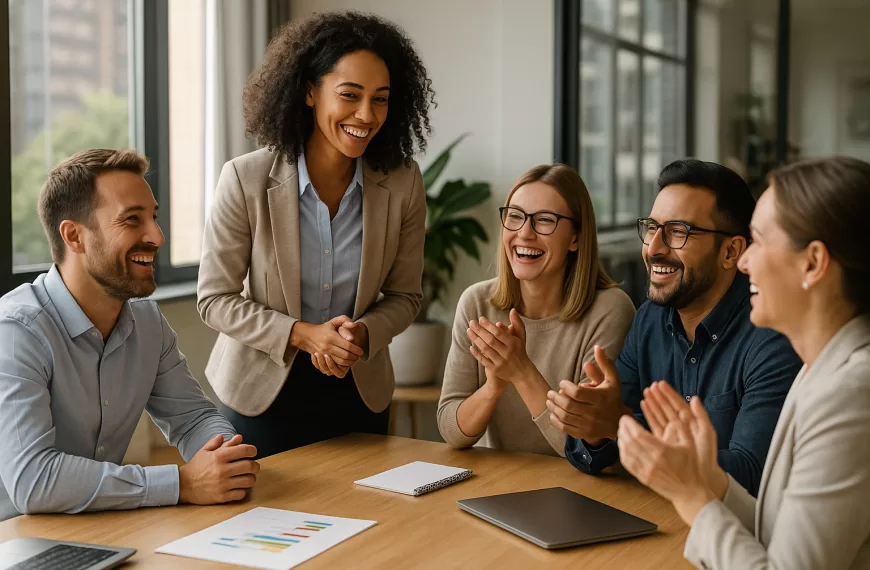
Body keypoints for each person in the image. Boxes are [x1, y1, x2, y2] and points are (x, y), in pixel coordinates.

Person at [197, 11, 434, 457]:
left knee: (371, 523)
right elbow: (214, 299)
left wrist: (360, 335)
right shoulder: (245, 179)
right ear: (309, 91)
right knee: (263, 525)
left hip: (358, 389)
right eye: (350, 95)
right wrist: (304, 335)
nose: (366, 115)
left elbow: (406, 297)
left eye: (380, 99)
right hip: (260, 392)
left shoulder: (403, 182)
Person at [617, 156, 870, 570]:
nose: (746, 261)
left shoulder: (851, 395)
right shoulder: (822, 369)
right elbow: (778, 531)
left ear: (813, 263)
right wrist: (704, 477)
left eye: (759, 241)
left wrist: (691, 496)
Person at [0, 149, 259, 520]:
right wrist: (182, 484)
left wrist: (226, 458)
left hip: (98, 527)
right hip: (14, 542)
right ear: (75, 236)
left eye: (153, 217)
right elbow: (34, 481)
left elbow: (193, 418)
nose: (157, 235)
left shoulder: (146, 321)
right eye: (132, 220)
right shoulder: (16, 331)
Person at [549, 159, 801, 495]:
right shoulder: (649, 320)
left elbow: (752, 475)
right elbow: (590, 455)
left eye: (678, 232)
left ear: (731, 251)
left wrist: (620, 426)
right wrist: (594, 427)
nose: (653, 248)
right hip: (648, 521)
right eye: (652, 228)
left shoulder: (771, 336)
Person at [437, 164, 635, 456]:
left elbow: (582, 450)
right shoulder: (476, 303)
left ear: (576, 238)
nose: (524, 233)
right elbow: (451, 432)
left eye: (544, 220)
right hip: (502, 488)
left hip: (581, 491)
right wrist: (493, 387)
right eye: (515, 217)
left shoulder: (611, 311)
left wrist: (520, 371)